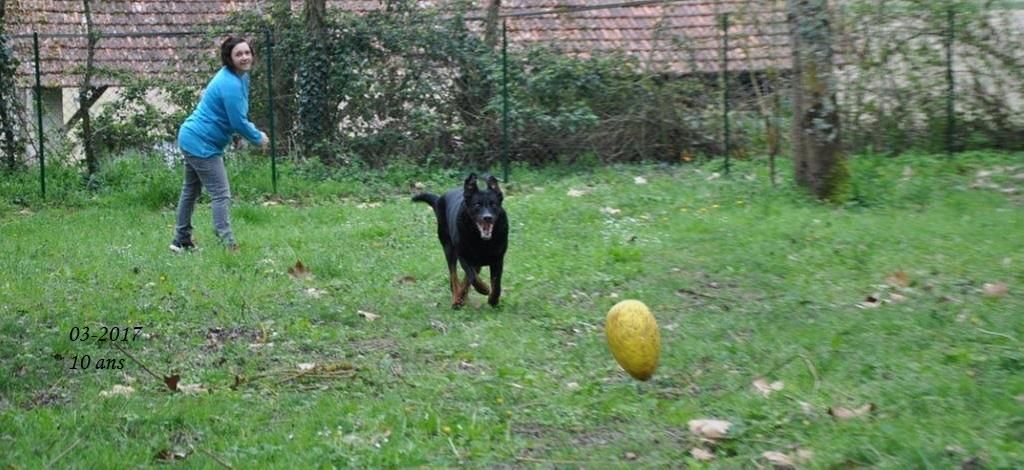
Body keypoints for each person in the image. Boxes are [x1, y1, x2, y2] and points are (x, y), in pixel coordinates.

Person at [170, 36, 269, 253]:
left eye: (247, 53)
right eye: (238, 54)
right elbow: (237, 121)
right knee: (221, 194)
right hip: (200, 143)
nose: (244, 57)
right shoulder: (230, 83)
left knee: (191, 190)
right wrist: (257, 137)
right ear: (229, 58)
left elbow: (236, 114)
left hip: (193, 137)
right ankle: (227, 242)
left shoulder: (240, 77)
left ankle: (180, 240)